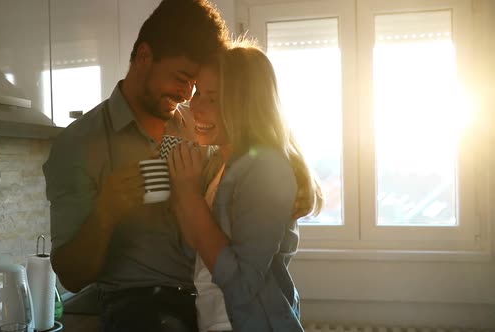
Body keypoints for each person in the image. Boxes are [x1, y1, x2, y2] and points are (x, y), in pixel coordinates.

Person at [42, 1, 229, 331]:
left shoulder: (198, 126)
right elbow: (70, 276)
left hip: (212, 296)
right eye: (181, 78)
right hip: (140, 306)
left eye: (195, 86)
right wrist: (107, 211)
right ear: (144, 56)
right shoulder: (79, 144)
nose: (187, 94)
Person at [167, 40, 323, 332]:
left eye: (212, 98)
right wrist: (181, 187)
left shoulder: (266, 168)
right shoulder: (219, 165)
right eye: (198, 92)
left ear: (244, 106)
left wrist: (189, 194)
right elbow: (195, 249)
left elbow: (241, 284)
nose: (195, 105)